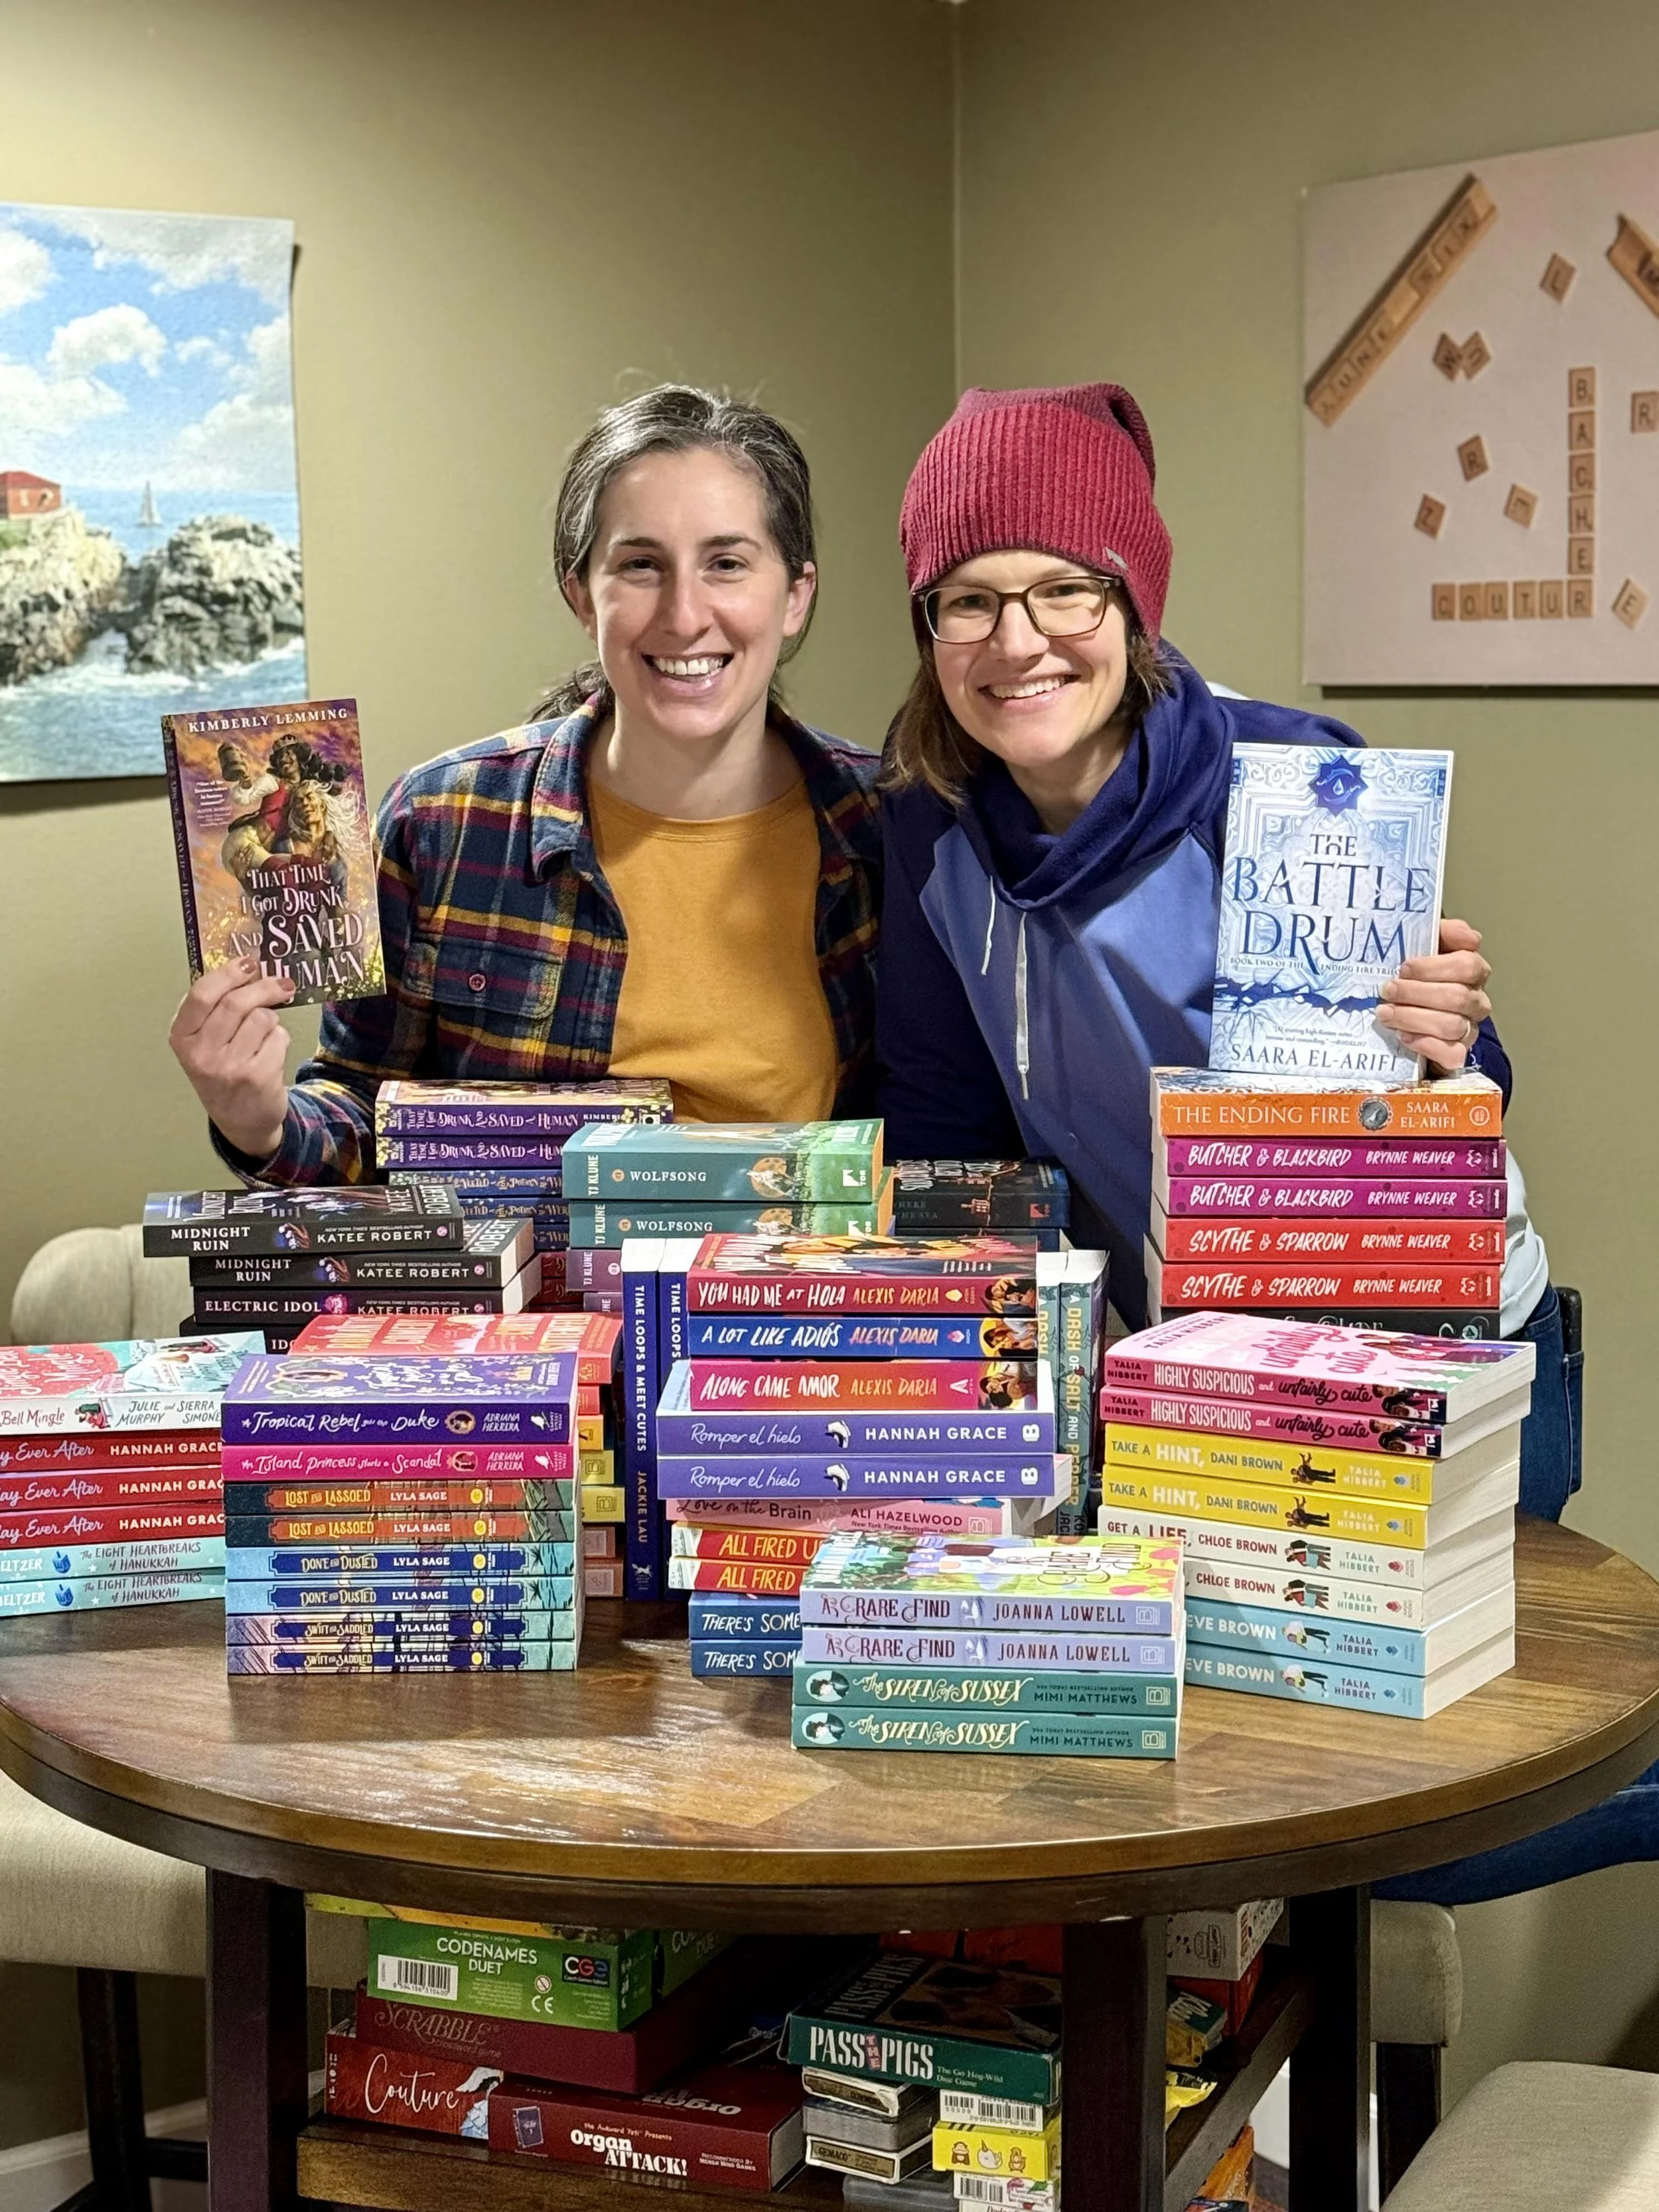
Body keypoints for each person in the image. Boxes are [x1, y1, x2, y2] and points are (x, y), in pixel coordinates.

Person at [874, 380, 1574, 1514]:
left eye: (1066, 590)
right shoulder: (926, 817)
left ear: (1135, 602)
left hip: (1422, 1349)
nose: (1018, 642)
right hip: (1182, 1371)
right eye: (969, 601)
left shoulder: (1295, 778)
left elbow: (1469, 1103)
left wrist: (1448, 1045)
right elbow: (947, 1123)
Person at [169, 386, 881, 1182]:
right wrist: (258, 1123)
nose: (685, 615)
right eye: (640, 565)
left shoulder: (889, 827)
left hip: (797, 1300)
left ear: (795, 597)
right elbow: (363, 1111)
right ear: (582, 595)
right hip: (533, 1303)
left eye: (727, 564)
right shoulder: (439, 823)